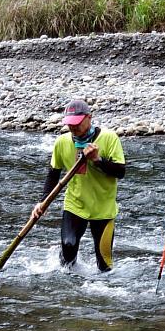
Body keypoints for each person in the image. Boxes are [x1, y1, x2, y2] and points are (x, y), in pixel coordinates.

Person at [32, 99, 125, 272]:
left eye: (77, 123)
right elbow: (53, 175)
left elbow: (121, 172)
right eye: (70, 124)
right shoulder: (62, 142)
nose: (73, 128)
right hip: (75, 205)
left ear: (89, 118)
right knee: (68, 248)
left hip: (103, 209)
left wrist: (98, 160)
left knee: (105, 266)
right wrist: (42, 202)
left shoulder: (109, 138)